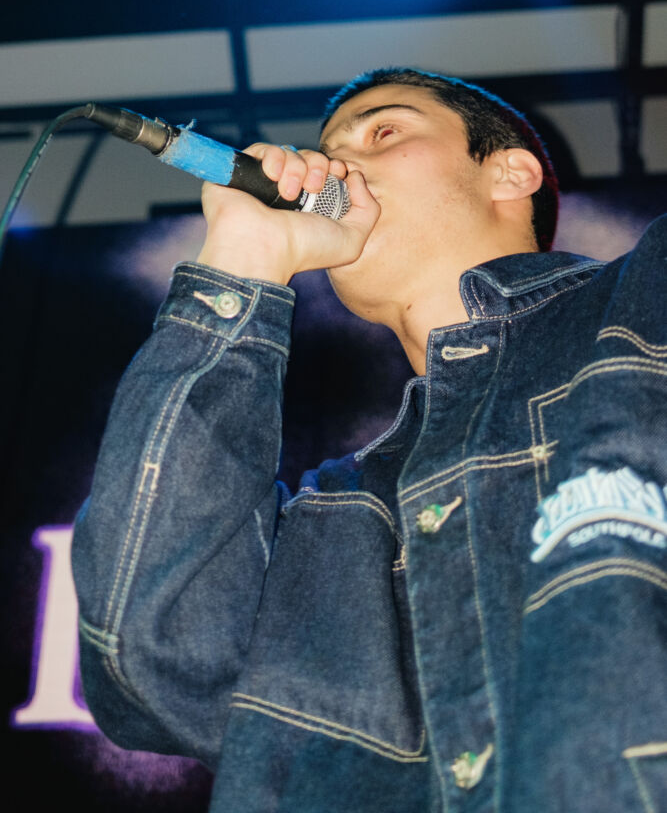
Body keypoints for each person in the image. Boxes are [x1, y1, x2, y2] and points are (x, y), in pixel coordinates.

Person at [71, 68, 666, 813]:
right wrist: (244, 259)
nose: (335, 166)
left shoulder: (647, 301)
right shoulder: (332, 520)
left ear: (510, 172)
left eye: (382, 131)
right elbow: (152, 667)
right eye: (325, 152)